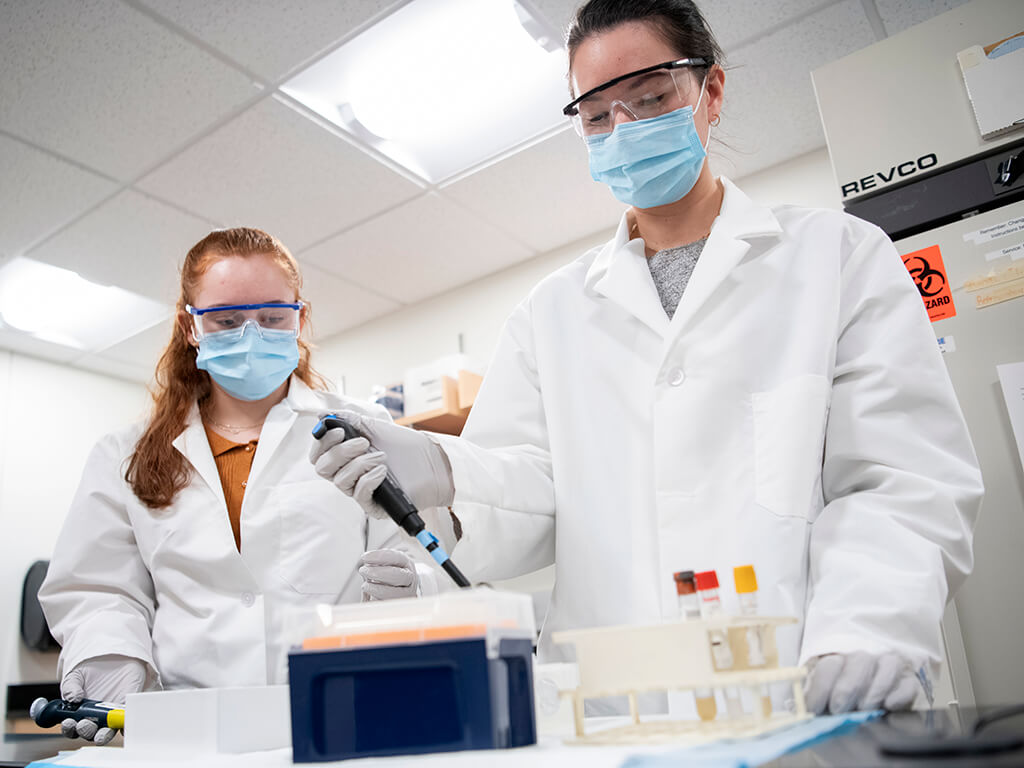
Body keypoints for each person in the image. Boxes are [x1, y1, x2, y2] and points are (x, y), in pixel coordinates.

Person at [310, 0, 983, 717]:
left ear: (710, 91)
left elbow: (901, 477)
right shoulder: (550, 313)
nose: (623, 129)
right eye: (597, 115)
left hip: (800, 692)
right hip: (613, 710)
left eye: (651, 97)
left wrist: (867, 628)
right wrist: (442, 473)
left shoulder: (838, 257)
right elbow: (523, 511)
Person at [40, 227, 427, 744]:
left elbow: (419, 550)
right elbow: (97, 588)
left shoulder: (368, 428)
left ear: (300, 318)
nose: (252, 336)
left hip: (343, 719)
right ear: (189, 326)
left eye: (272, 318)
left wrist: (419, 587)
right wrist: (110, 655)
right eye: (225, 321)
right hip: (189, 731)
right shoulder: (124, 456)